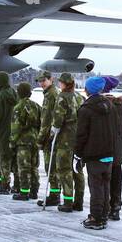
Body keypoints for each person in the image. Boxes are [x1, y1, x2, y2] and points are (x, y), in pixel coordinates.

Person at [75, 75, 118, 229]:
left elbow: (81, 135)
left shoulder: (86, 110)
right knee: (105, 185)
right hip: (109, 153)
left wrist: (77, 154)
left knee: (96, 187)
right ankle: (104, 214)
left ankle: (96, 217)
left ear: (88, 89)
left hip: (94, 154)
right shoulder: (111, 106)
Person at [50, 73, 83, 211]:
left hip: (65, 138)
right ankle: (79, 201)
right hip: (78, 136)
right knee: (77, 170)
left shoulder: (62, 97)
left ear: (64, 83)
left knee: (64, 169)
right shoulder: (79, 96)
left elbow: (58, 117)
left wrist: (53, 130)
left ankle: (68, 201)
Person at [10, 81, 42, 202]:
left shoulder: (18, 107)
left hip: (23, 142)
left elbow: (15, 127)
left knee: (23, 167)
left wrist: (12, 142)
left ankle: (24, 192)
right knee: (34, 167)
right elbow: (41, 123)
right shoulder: (36, 106)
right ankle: (34, 191)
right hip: (34, 140)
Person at [105, 76, 122, 221]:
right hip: (118, 152)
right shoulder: (120, 106)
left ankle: (104, 208)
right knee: (116, 180)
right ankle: (115, 208)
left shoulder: (104, 106)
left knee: (103, 181)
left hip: (104, 151)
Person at [38, 71, 62, 205]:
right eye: (40, 81)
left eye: (44, 81)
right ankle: (56, 193)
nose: (41, 83)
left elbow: (46, 120)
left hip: (50, 136)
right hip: (55, 135)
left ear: (51, 80)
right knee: (53, 167)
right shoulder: (53, 93)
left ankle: (54, 195)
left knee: (50, 167)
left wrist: (41, 139)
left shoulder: (50, 95)